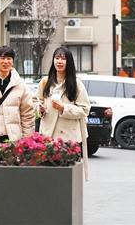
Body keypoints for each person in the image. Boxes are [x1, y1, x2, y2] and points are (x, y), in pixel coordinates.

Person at [37, 47, 91, 177]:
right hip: (48, 136)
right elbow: (36, 101)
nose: (59, 61)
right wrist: (40, 108)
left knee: (66, 176)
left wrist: (63, 108)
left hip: (69, 138)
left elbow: (84, 109)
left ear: (69, 62)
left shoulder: (76, 84)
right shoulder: (45, 82)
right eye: (57, 58)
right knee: (47, 175)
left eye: (63, 59)